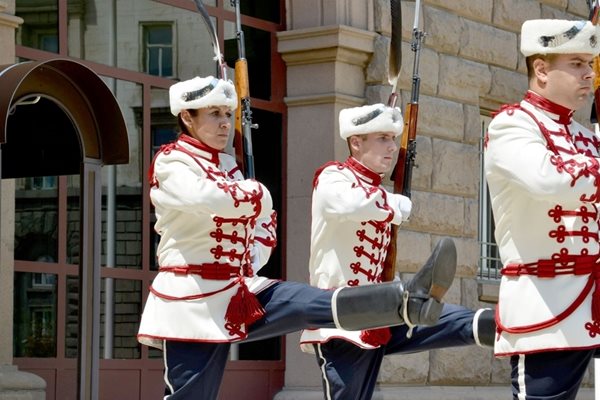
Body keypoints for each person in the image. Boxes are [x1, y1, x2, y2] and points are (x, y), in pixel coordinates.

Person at [136, 75, 462, 400]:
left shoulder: (227, 168)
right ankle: (402, 301)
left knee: (307, 302)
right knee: (191, 396)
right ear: (187, 118)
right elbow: (209, 198)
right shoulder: (171, 161)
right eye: (214, 114)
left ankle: (403, 299)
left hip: (236, 289)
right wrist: (257, 192)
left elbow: (263, 222)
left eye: (226, 113)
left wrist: (250, 256)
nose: (224, 123)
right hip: (191, 298)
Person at [299, 103, 497, 400]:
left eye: (393, 139)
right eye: (382, 138)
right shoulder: (333, 176)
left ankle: (504, 325)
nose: (392, 147)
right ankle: (415, 295)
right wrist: (394, 203)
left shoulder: (376, 189)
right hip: (342, 318)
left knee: (441, 317)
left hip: (381, 312)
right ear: (356, 142)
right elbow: (348, 203)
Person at [484, 19, 600, 400]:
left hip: (592, 302)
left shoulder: (585, 138)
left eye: (591, 64)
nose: (589, 74)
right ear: (542, 69)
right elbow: (549, 181)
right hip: (545, 307)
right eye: (578, 63)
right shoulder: (511, 126)